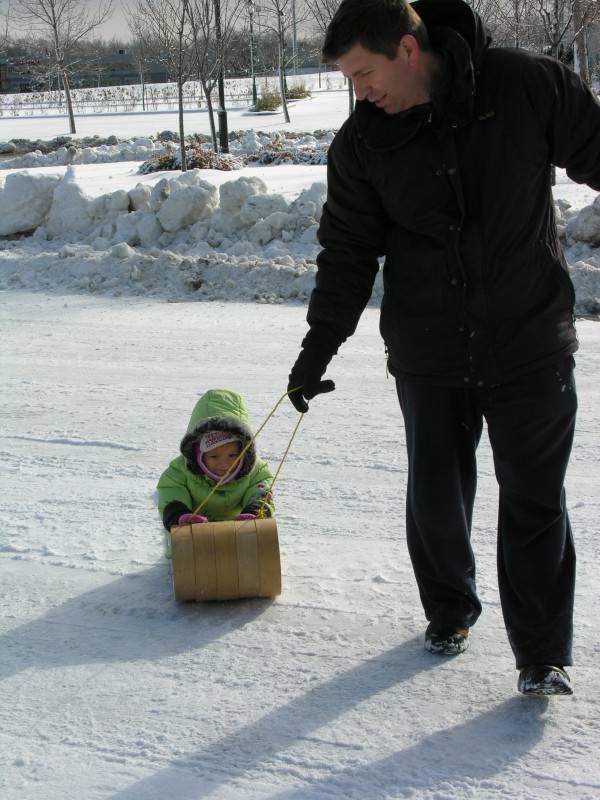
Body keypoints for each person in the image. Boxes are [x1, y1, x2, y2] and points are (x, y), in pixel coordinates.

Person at [287, 0, 600, 695]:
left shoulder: (524, 86)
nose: (358, 90)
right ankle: (449, 608)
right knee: (435, 492)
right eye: (347, 79)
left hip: (528, 338)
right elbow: (347, 253)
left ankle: (541, 654)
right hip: (429, 347)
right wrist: (318, 348)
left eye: (364, 72)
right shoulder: (363, 144)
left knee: (533, 497)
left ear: (406, 47)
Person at [158, 388, 275, 557]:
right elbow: (171, 493)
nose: (224, 463)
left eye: (233, 455)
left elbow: (261, 490)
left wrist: (256, 511)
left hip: (238, 531)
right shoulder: (179, 471)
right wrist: (179, 515)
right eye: (214, 456)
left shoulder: (255, 469)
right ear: (198, 452)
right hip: (193, 535)